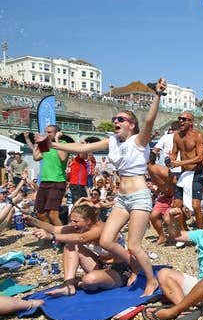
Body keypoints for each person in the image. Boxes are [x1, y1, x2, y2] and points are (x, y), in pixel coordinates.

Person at [41, 78, 166, 296]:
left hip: (139, 196)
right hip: (122, 198)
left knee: (134, 245)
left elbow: (149, 121)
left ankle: (151, 282)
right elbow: (83, 146)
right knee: (106, 240)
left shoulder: (138, 140)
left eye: (121, 119)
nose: (115, 121)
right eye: (114, 118)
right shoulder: (112, 142)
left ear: (131, 124)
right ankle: (135, 268)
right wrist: (52, 144)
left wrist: (157, 95)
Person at [26, 205, 130, 296]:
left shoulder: (102, 228)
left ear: (88, 221)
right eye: (71, 220)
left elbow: (82, 238)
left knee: (89, 281)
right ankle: (68, 286)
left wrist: (51, 237)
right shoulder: (81, 227)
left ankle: (81, 283)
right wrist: (31, 220)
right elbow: (54, 229)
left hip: (120, 271)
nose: (72, 224)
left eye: (75, 221)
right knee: (71, 246)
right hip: (101, 265)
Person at [24, 126, 69, 226]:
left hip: (57, 181)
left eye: (49, 132)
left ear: (57, 133)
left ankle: (61, 239)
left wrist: (57, 139)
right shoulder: (46, 145)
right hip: (45, 182)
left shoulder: (63, 144)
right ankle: (50, 234)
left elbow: (62, 158)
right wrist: (37, 144)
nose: (47, 134)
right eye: (46, 132)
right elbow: (36, 157)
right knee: (40, 213)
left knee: (53, 214)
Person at [170, 111, 203, 230]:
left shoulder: (198, 136)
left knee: (196, 206)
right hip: (184, 173)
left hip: (196, 173)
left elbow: (200, 157)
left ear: (191, 122)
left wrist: (179, 163)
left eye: (184, 119)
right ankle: (184, 231)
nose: (181, 121)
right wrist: (171, 161)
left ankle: (200, 233)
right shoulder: (177, 135)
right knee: (177, 206)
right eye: (180, 119)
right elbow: (174, 153)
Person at [147, 152, 175, 245]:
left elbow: (176, 181)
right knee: (153, 216)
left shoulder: (162, 170)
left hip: (175, 195)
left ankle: (180, 236)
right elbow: (162, 184)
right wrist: (157, 192)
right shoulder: (150, 171)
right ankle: (162, 236)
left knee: (168, 218)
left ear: (147, 161)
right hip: (165, 196)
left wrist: (176, 198)